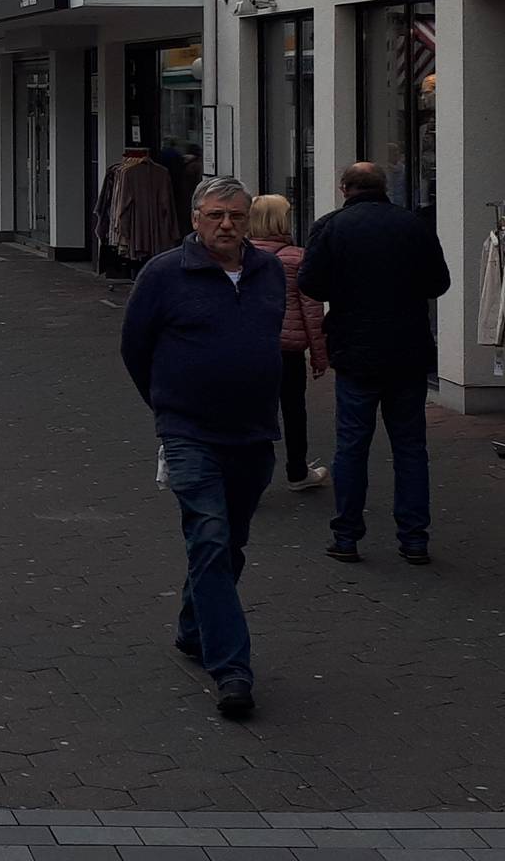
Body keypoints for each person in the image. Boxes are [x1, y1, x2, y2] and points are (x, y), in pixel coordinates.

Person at [117, 176, 284, 720]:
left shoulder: (268, 273)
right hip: (189, 432)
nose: (227, 224)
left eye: (236, 215)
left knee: (229, 543)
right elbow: (134, 349)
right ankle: (233, 669)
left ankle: (194, 626)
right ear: (195, 218)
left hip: (255, 432)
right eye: (215, 215)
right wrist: (167, 407)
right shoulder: (164, 274)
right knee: (208, 538)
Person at [298, 162, 455, 565]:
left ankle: (347, 536)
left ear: (343, 188)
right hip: (407, 348)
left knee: (351, 445)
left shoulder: (331, 226)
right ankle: (415, 538)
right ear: (385, 187)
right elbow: (439, 282)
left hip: (355, 350)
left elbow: (311, 284)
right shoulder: (413, 225)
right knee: (410, 447)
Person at [248, 194, 330, 489]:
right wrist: (320, 356)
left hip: (250, 348)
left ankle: (251, 475)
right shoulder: (297, 257)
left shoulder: (239, 256)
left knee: (254, 411)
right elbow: (312, 310)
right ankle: (297, 471)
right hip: (288, 350)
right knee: (294, 409)